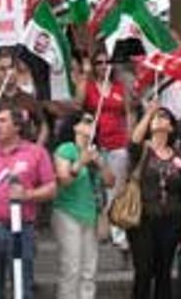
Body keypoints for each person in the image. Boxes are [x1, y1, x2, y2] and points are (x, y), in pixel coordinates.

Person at [0, 104, 57, 299]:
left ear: (17, 126)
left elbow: (51, 188)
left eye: (2, 121)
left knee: (23, 285)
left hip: (22, 229)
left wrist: (27, 196)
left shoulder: (36, 152)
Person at [127, 103, 181, 299]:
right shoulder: (144, 150)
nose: (159, 118)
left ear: (171, 127)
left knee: (164, 273)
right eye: (157, 116)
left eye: (164, 116)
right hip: (143, 219)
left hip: (171, 220)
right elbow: (134, 141)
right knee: (144, 271)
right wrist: (148, 113)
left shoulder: (178, 155)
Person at [52, 111, 115, 299]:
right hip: (68, 212)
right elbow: (63, 179)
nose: (92, 124)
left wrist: (101, 163)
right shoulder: (66, 149)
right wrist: (81, 161)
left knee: (90, 268)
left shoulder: (97, 150)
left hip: (91, 213)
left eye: (94, 122)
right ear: (75, 126)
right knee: (71, 267)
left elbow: (111, 181)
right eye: (87, 121)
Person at [76, 48, 132, 249]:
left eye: (107, 62)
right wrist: (84, 74)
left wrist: (130, 137)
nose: (103, 66)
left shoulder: (118, 87)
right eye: (99, 62)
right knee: (97, 188)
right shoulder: (90, 87)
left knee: (117, 188)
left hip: (118, 142)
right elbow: (78, 103)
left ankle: (118, 232)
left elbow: (127, 112)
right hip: (96, 143)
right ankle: (98, 230)